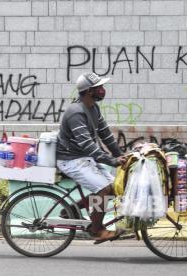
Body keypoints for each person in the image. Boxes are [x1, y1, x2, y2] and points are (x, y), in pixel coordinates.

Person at [56, 72, 127, 244]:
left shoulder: (93, 108)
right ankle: (97, 230)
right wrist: (112, 161)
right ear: (88, 91)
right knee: (103, 190)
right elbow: (87, 144)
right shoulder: (76, 112)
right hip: (70, 159)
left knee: (113, 188)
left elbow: (106, 135)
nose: (103, 90)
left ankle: (70, 210)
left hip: (84, 158)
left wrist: (121, 156)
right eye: (99, 88)